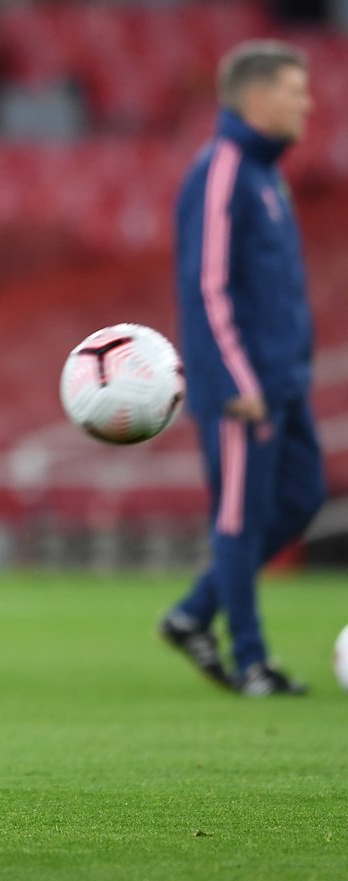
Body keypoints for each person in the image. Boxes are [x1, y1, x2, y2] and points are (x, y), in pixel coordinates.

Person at [159, 40, 325, 696]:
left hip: (284, 380)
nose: (307, 103)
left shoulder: (266, 173)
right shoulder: (224, 169)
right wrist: (235, 380)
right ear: (255, 98)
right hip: (245, 388)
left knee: (302, 497)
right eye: (294, 91)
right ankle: (252, 660)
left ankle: (194, 612)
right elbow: (207, 285)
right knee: (239, 517)